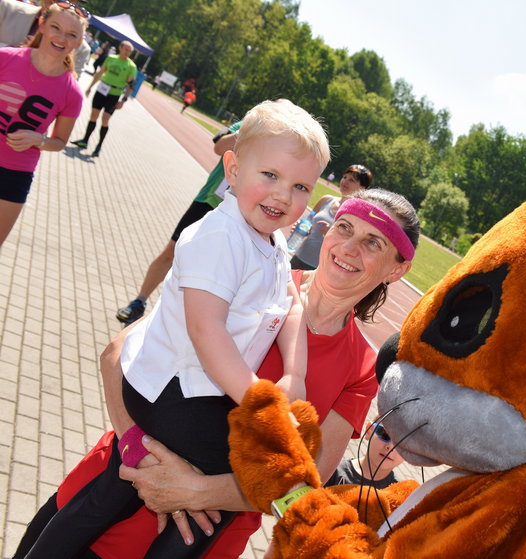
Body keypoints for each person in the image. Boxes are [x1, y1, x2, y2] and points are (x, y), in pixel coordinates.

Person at [12, 187, 421, 559]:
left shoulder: (363, 369)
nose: (349, 248)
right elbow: (117, 352)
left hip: (199, 537)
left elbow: (304, 483)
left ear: (396, 269)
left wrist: (193, 491)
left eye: (373, 243)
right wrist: (137, 449)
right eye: (344, 228)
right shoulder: (257, 271)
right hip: (112, 487)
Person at [18, 98, 327, 559]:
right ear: (233, 168)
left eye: (300, 185)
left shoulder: (274, 241)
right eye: (271, 176)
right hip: (169, 391)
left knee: (115, 495)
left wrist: (294, 377)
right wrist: (262, 404)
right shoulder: (218, 236)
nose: (283, 195)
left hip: (197, 392)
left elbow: (292, 306)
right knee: (214, 493)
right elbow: (207, 333)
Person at [116, 123, 239, 326]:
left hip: (234, 213)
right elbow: (219, 147)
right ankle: (139, 302)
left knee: (204, 268)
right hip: (207, 201)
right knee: (171, 250)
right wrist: (248, 130)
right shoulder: (242, 127)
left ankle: (171, 318)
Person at [0, 2, 86, 248]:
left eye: (71, 35)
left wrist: (38, 140)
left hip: (15, 175)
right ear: (42, 25)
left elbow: (59, 142)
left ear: (79, 42)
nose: (61, 38)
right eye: (56, 28)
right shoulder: (5, 58)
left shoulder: (72, 93)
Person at [290, 164, 372, 270]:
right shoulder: (326, 200)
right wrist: (300, 227)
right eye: (345, 177)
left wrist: (331, 233)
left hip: (323, 269)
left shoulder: (358, 216)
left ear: (363, 188)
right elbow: (308, 221)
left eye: (351, 180)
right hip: (299, 257)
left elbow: (353, 247)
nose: (345, 181)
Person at [71, 39, 136, 157]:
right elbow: (100, 73)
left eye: (130, 51)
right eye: (126, 49)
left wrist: (123, 100)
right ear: (120, 48)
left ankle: (99, 145)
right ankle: (85, 141)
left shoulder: (131, 66)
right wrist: (90, 87)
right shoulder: (111, 59)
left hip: (114, 94)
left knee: (105, 119)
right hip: (102, 90)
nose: (127, 52)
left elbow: (131, 85)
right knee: (93, 115)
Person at [324, 421, 404, 489]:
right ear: (369, 431)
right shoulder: (332, 473)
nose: (390, 447)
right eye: (385, 434)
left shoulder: (401, 498)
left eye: (402, 444)